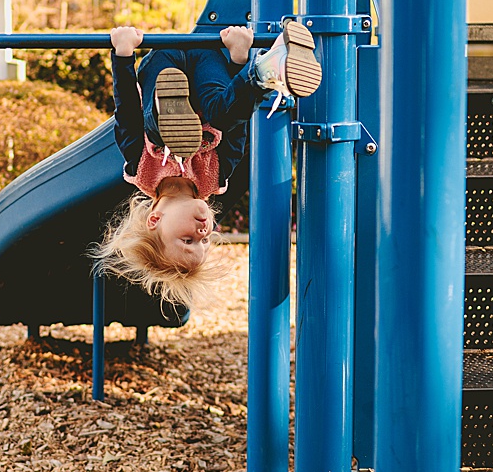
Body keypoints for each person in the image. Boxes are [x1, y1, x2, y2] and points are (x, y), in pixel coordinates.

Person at [91, 20, 322, 309]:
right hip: (207, 59)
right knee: (222, 116)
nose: (202, 235)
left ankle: (168, 116)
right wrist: (239, 57)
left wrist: (122, 55)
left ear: (155, 219)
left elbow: (126, 111)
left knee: (151, 130)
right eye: (204, 243)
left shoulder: (140, 167)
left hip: (165, 59)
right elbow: (238, 130)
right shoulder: (216, 177)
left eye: (187, 240)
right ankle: (268, 69)